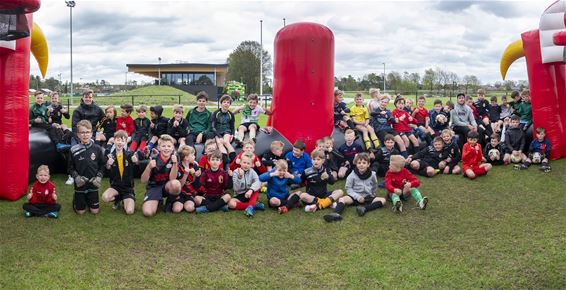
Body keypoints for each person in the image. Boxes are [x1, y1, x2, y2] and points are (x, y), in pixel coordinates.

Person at [323, 153, 386, 222]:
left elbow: (374, 184)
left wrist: (372, 193)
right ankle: (335, 214)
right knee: (342, 199)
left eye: (364, 163)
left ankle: (364, 209)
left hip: (367, 197)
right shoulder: (352, 175)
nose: (361, 164)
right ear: (356, 164)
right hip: (354, 197)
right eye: (359, 163)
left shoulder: (372, 174)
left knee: (383, 200)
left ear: (368, 164)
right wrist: (357, 197)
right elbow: (348, 188)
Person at [69, 120, 105, 215]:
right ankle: (76, 199)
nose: (85, 135)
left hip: (93, 183)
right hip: (80, 184)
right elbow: (70, 167)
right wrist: (76, 177)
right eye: (82, 132)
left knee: (95, 211)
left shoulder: (97, 148)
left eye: (87, 132)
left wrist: (99, 177)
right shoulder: (73, 149)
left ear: (91, 133)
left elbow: (102, 165)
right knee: (80, 212)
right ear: (78, 134)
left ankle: (88, 200)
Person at [140, 134, 182, 217]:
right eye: (163, 146)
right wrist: (149, 167)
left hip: (167, 187)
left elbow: (172, 178)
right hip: (154, 187)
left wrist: (175, 164)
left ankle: (169, 202)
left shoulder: (175, 158)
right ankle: (157, 200)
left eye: (169, 146)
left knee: (176, 184)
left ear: (173, 147)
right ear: (159, 148)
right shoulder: (154, 158)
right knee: (148, 213)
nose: (166, 148)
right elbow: (143, 180)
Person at [101, 130, 139, 215]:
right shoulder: (110, 155)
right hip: (116, 186)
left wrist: (136, 161)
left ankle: (125, 199)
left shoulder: (129, 154)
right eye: (118, 140)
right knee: (105, 198)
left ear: (125, 142)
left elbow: (137, 164)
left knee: (129, 211)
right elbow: (106, 169)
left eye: (122, 140)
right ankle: (118, 199)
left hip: (127, 188)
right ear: (114, 140)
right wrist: (108, 164)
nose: (120, 142)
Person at [228, 152, 265, 217]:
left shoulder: (252, 172)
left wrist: (251, 190)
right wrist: (240, 177)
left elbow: (258, 181)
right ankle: (254, 206)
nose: (246, 165)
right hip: (239, 194)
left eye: (248, 163)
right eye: (244, 162)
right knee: (231, 204)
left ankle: (250, 208)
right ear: (240, 163)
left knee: (256, 188)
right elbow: (236, 188)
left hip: (250, 193)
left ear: (252, 165)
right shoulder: (236, 172)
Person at [173, 145, 201, 213]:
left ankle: (188, 203)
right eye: (193, 155)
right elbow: (180, 185)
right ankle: (175, 203)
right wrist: (186, 173)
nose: (194, 157)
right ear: (186, 158)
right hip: (179, 192)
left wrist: (195, 175)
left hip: (190, 192)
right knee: (176, 210)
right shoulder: (178, 167)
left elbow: (194, 183)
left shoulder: (194, 165)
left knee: (189, 208)